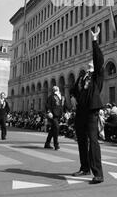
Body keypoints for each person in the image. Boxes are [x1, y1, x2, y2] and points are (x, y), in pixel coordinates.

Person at [70, 27, 104, 184]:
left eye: (93, 64)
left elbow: (98, 60)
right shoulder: (82, 76)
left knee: (93, 140)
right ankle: (84, 168)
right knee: (82, 140)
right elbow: (73, 90)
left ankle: (98, 173)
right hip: (80, 111)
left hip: (91, 111)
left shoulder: (97, 76)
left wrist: (95, 41)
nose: (91, 64)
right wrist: (72, 97)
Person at [44, 85, 63, 150]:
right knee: (56, 128)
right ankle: (56, 144)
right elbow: (47, 105)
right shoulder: (51, 97)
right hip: (53, 115)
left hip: (58, 115)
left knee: (52, 130)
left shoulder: (60, 97)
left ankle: (47, 143)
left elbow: (61, 106)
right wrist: (49, 112)